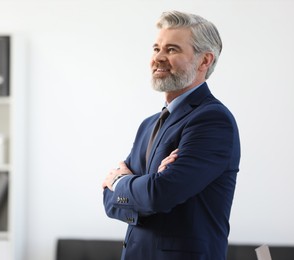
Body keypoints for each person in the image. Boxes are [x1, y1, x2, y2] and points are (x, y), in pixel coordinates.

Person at [102, 10, 241, 260]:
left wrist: (120, 182)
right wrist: (145, 187)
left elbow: (159, 195)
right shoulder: (148, 125)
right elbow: (110, 202)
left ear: (204, 61)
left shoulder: (211, 120)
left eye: (172, 49)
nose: (159, 58)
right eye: (157, 48)